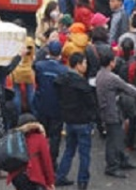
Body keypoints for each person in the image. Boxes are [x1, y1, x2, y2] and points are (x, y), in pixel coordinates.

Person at [96, 52, 136, 178]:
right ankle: (112, 166)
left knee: (119, 136)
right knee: (114, 140)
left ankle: (123, 160)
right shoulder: (111, 77)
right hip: (112, 112)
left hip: (106, 110)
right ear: (111, 62)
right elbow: (128, 88)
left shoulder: (100, 74)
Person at [55, 53, 96, 190]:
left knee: (69, 150)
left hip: (69, 120)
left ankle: (60, 176)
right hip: (83, 121)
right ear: (78, 65)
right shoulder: (81, 83)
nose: (86, 66)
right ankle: (82, 181)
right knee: (84, 153)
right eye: (84, 63)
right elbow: (90, 103)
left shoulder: (62, 80)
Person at [33, 41, 69, 168]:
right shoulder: (64, 70)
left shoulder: (39, 66)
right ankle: (52, 162)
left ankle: (39, 159)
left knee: (41, 133)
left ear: (48, 52)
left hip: (41, 104)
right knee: (55, 136)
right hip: (57, 107)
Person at [7, 114, 56, 190]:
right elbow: (47, 162)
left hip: (16, 176)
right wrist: (50, 182)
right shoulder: (39, 138)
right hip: (33, 176)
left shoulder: (15, 139)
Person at [11, 37, 36, 116]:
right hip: (28, 71)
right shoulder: (29, 41)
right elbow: (33, 56)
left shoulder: (16, 41)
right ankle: (33, 113)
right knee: (30, 93)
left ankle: (17, 114)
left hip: (17, 71)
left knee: (16, 93)